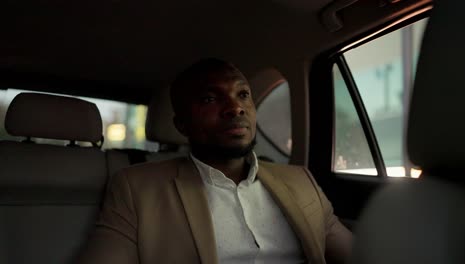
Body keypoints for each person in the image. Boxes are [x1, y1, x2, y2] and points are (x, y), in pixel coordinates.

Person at [77, 58, 352, 264]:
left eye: (243, 94)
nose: (235, 107)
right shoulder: (136, 188)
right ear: (182, 125)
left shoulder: (300, 180)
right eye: (210, 98)